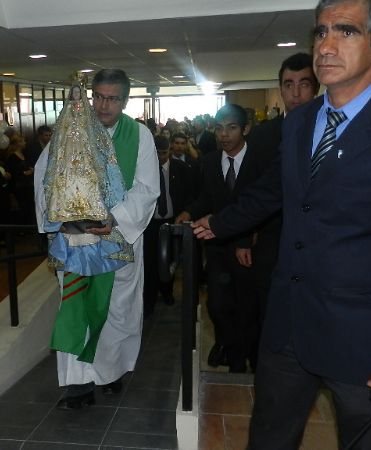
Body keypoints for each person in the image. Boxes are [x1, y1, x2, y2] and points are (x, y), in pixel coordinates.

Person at [191, 0, 371, 447]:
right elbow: (273, 192)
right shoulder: (298, 122)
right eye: (320, 32)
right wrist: (219, 223)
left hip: (367, 345)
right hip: (286, 331)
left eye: (347, 32)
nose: (327, 47)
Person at [34, 69, 159, 409]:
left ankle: (111, 372)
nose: (104, 106)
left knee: (117, 309)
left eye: (113, 98)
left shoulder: (140, 136)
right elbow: (44, 176)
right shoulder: (69, 129)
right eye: (99, 97)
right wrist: (54, 219)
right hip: (74, 241)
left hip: (117, 238)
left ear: (125, 100)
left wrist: (113, 218)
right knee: (74, 306)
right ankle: (78, 385)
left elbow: (147, 189)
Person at [239, 52, 319, 370]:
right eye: (288, 85)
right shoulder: (262, 135)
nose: (296, 93)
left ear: (317, 87)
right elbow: (251, 190)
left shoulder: (334, 129)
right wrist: (244, 237)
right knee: (267, 303)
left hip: (317, 239)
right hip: (270, 237)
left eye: (304, 84)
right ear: (281, 89)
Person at [176, 104, 261, 373]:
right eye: (219, 128)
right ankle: (228, 343)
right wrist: (189, 211)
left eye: (231, 128)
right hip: (217, 246)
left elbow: (265, 205)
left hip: (251, 247)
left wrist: (247, 239)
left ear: (245, 128)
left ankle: (245, 355)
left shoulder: (261, 160)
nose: (224, 135)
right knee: (217, 305)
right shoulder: (210, 161)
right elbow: (208, 197)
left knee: (248, 306)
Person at [142, 135, 193, 317]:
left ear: (170, 151)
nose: (160, 156)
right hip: (150, 224)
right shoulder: (144, 170)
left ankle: (167, 293)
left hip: (173, 222)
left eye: (163, 153)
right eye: (156, 153)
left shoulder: (181, 169)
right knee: (149, 262)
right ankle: (149, 299)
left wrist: (185, 213)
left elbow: (190, 194)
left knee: (169, 258)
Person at [5, 133, 35, 224]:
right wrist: (25, 173)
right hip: (19, 186)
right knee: (22, 206)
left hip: (27, 185)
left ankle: (28, 226)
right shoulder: (12, 156)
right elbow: (13, 171)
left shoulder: (23, 154)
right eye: (22, 141)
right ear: (17, 143)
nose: (25, 143)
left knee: (29, 206)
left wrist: (30, 169)